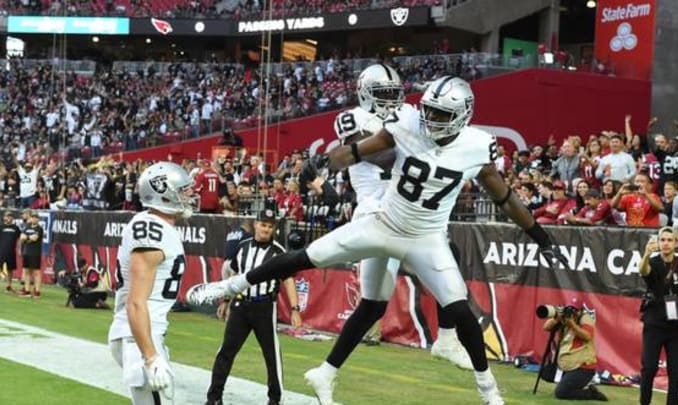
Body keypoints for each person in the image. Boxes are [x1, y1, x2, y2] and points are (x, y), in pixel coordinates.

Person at [188, 76, 567, 405]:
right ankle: (228, 285)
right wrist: (325, 162)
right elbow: (358, 151)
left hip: (426, 239)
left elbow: (504, 198)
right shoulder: (406, 121)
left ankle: (488, 391)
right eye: (429, 111)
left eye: (440, 114)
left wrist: (540, 236)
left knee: (462, 311)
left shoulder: (476, 146)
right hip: (382, 222)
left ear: (463, 115)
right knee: (306, 257)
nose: (430, 119)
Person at [323, 63, 472, 367]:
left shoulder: (407, 115)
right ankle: (328, 368)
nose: (391, 99)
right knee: (373, 306)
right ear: (365, 93)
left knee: (449, 256)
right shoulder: (352, 117)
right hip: (374, 210)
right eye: (383, 93)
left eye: (394, 93)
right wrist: (418, 155)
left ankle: (446, 337)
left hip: (406, 208)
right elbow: (377, 155)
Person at [108, 161, 195, 404]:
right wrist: (150, 356)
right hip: (138, 336)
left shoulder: (156, 225)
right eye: (183, 190)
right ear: (164, 193)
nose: (189, 195)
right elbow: (136, 302)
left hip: (139, 334)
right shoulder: (151, 228)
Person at [205, 210, 301, 405]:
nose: (266, 229)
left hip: (264, 307)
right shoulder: (242, 247)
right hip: (241, 305)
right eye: (263, 224)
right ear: (255, 224)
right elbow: (233, 276)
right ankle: (214, 398)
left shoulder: (278, 251)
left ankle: (275, 400)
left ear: (273, 228)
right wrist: (225, 300)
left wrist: (295, 308)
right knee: (226, 351)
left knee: (271, 355)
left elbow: (289, 280)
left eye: (270, 226)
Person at [638, 227, 678, 405]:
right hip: (654, 325)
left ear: (676, 243)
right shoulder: (653, 262)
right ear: (658, 242)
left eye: (669, 240)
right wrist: (645, 255)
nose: (665, 243)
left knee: (676, 372)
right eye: (662, 240)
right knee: (648, 369)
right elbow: (643, 271)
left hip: (676, 327)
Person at [542, 302, 607, 401]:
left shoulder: (586, 318)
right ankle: (573, 385)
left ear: (580, 311)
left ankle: (591, 393)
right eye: (569, 309)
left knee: (561, 393)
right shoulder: (564, 318)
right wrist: (557, 318)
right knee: (545, 373)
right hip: (568, 365)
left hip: (583, 367)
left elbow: (587, 336)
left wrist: (572, 325)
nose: (571, 313)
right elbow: (546, 327)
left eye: (574, 310)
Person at [19, 210, 43, 298]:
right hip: (26, 252)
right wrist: (27, 238)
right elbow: (21, 237)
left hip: (35, 253)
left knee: (36, 272)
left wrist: (27, 237)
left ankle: (37, 291)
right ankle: (27, 291)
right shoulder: (27, 226)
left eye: (36, 217)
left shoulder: (39, 228)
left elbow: (34, 238)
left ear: (38, 219)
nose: (34, 219)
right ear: (31, 218)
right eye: (33, 217)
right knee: (27, 272)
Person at [0, 211, 21, 292]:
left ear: (12, 218)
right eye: (7, 216)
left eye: (10, 216)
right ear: (4, 217)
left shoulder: (16, 228)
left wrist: (19, 248)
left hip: (11, 252)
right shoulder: (1, 226)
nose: (9, 218)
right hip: (1, 251)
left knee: (10, 269)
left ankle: (9, 286)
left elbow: (19, 239)